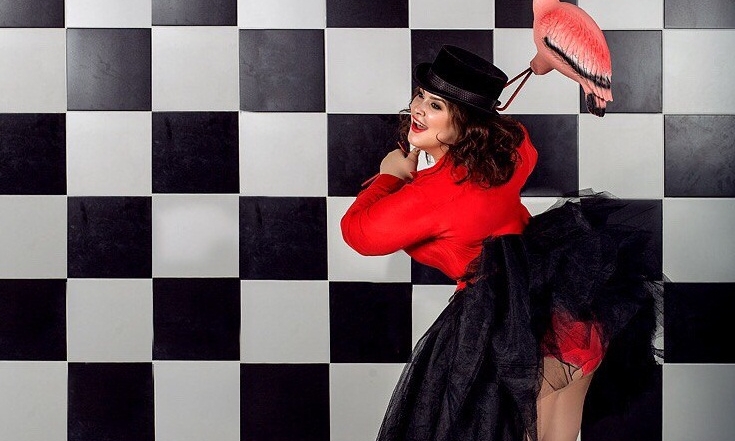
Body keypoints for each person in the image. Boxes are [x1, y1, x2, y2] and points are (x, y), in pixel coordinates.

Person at [341, 45, 659, 441]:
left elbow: (358, 233)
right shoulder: (510, 150)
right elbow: (519, 141)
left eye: (436, 105)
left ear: (466, 124)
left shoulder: (431, 195)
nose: (418, 110)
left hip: (510, 323)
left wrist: (390, 175)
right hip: (570, 305)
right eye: (420, 95)